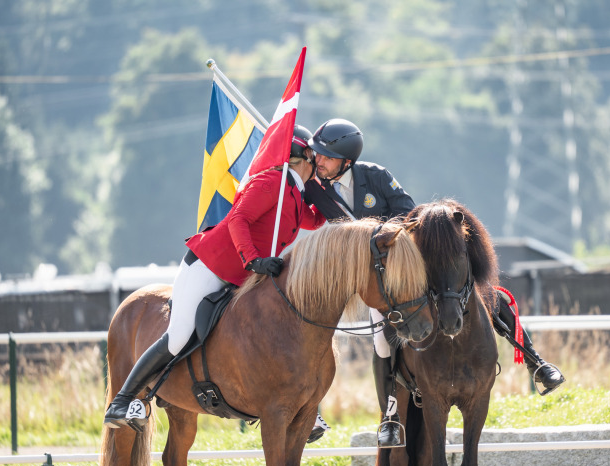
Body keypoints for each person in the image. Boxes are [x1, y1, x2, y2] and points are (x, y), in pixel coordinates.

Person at [303, 118, 563, 448]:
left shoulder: (376, 176)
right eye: (317, 155)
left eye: (325, 156)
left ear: (347, 161)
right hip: (375, 280)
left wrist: (382, 236)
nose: (319, 161)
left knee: (486, 297)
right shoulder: (312, 186)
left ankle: (535, 361)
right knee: (383, 341)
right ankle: (391, 414)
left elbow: (409, 214)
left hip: (406, 261)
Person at [104, 125, 326, 430]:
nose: (319, 165)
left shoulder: (295, 193)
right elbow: (238, 219)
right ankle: (123, 401)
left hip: (245, 274)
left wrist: (329, 192)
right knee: (180, 334)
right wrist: (253, 259)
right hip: (211, 265)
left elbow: (314, 221)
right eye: (315, 158)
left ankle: (302, 406)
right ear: (303, 157)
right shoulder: (272, 182)